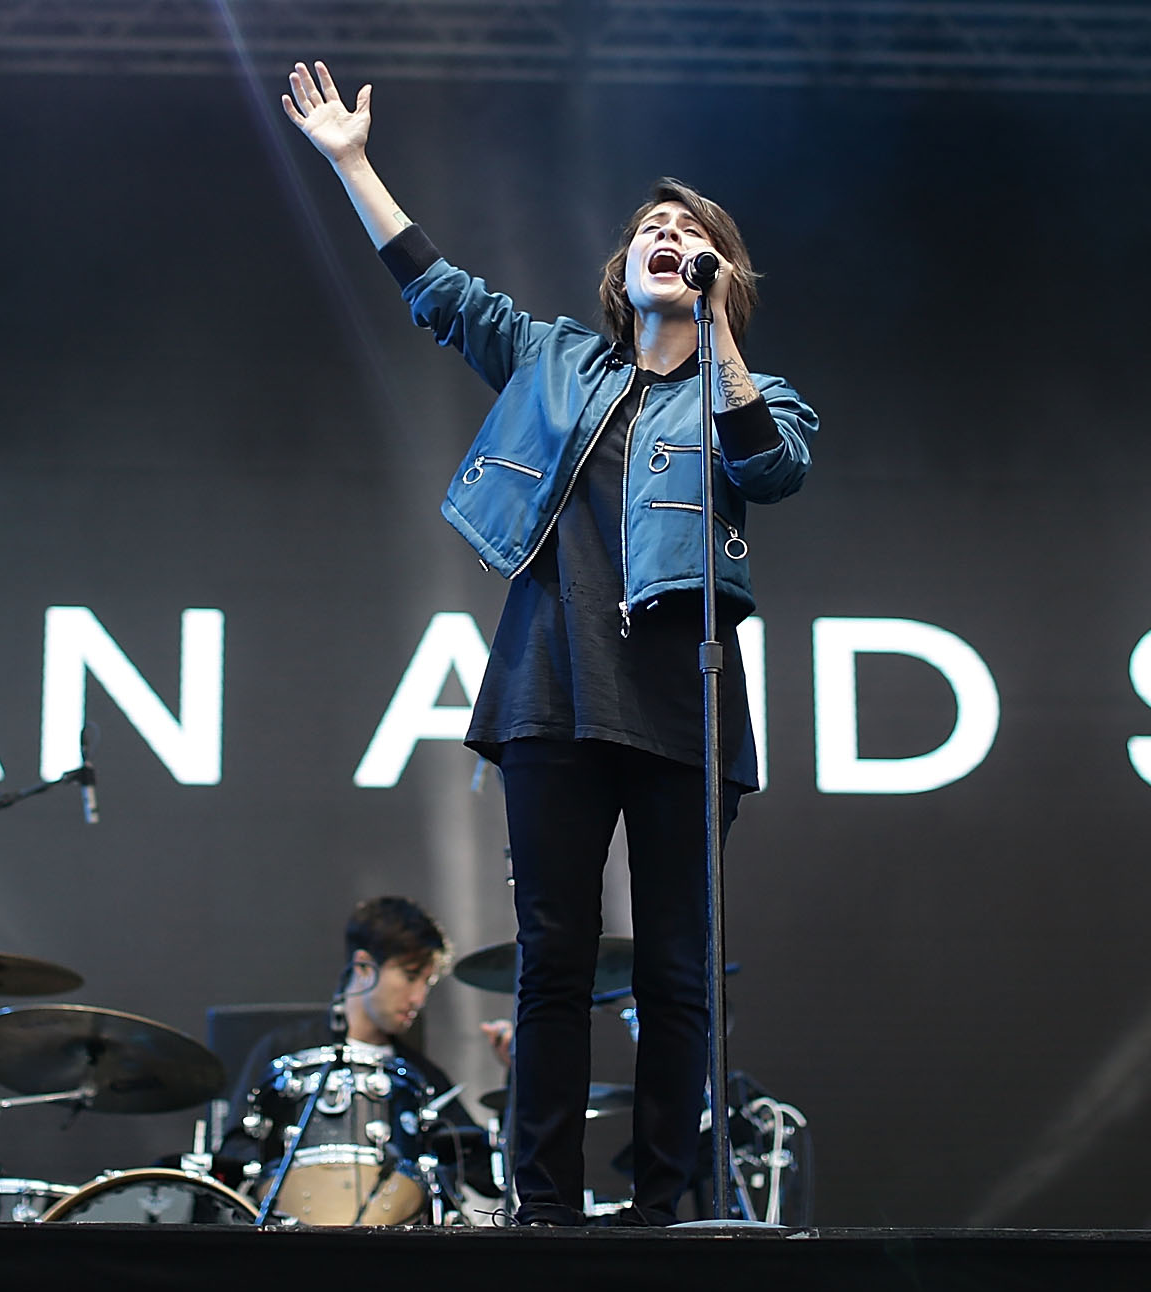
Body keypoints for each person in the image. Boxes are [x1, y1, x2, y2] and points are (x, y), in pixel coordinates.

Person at [282, 62, 818, 1226]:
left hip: (683, 703)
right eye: (650, 230)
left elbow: (773, 468)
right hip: (551, 693)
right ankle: (544, 1209)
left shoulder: (754, 392)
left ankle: (670, 1206)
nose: (666, 238)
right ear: (622, 272)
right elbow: (438, 292)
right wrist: (354, 164)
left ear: (722, 273)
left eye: (691, 234)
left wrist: (718, 333)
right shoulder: (557, 362)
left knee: (677, 974)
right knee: (554, 961)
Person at [210, 896, 487, 1209]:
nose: (419, 998)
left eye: (428, 983)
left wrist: (514, 1076)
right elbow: (236, 1149)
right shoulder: (282, 1051)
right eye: (411, 977)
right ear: (364, 967)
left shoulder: (421, 1075)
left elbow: (484, 1174)